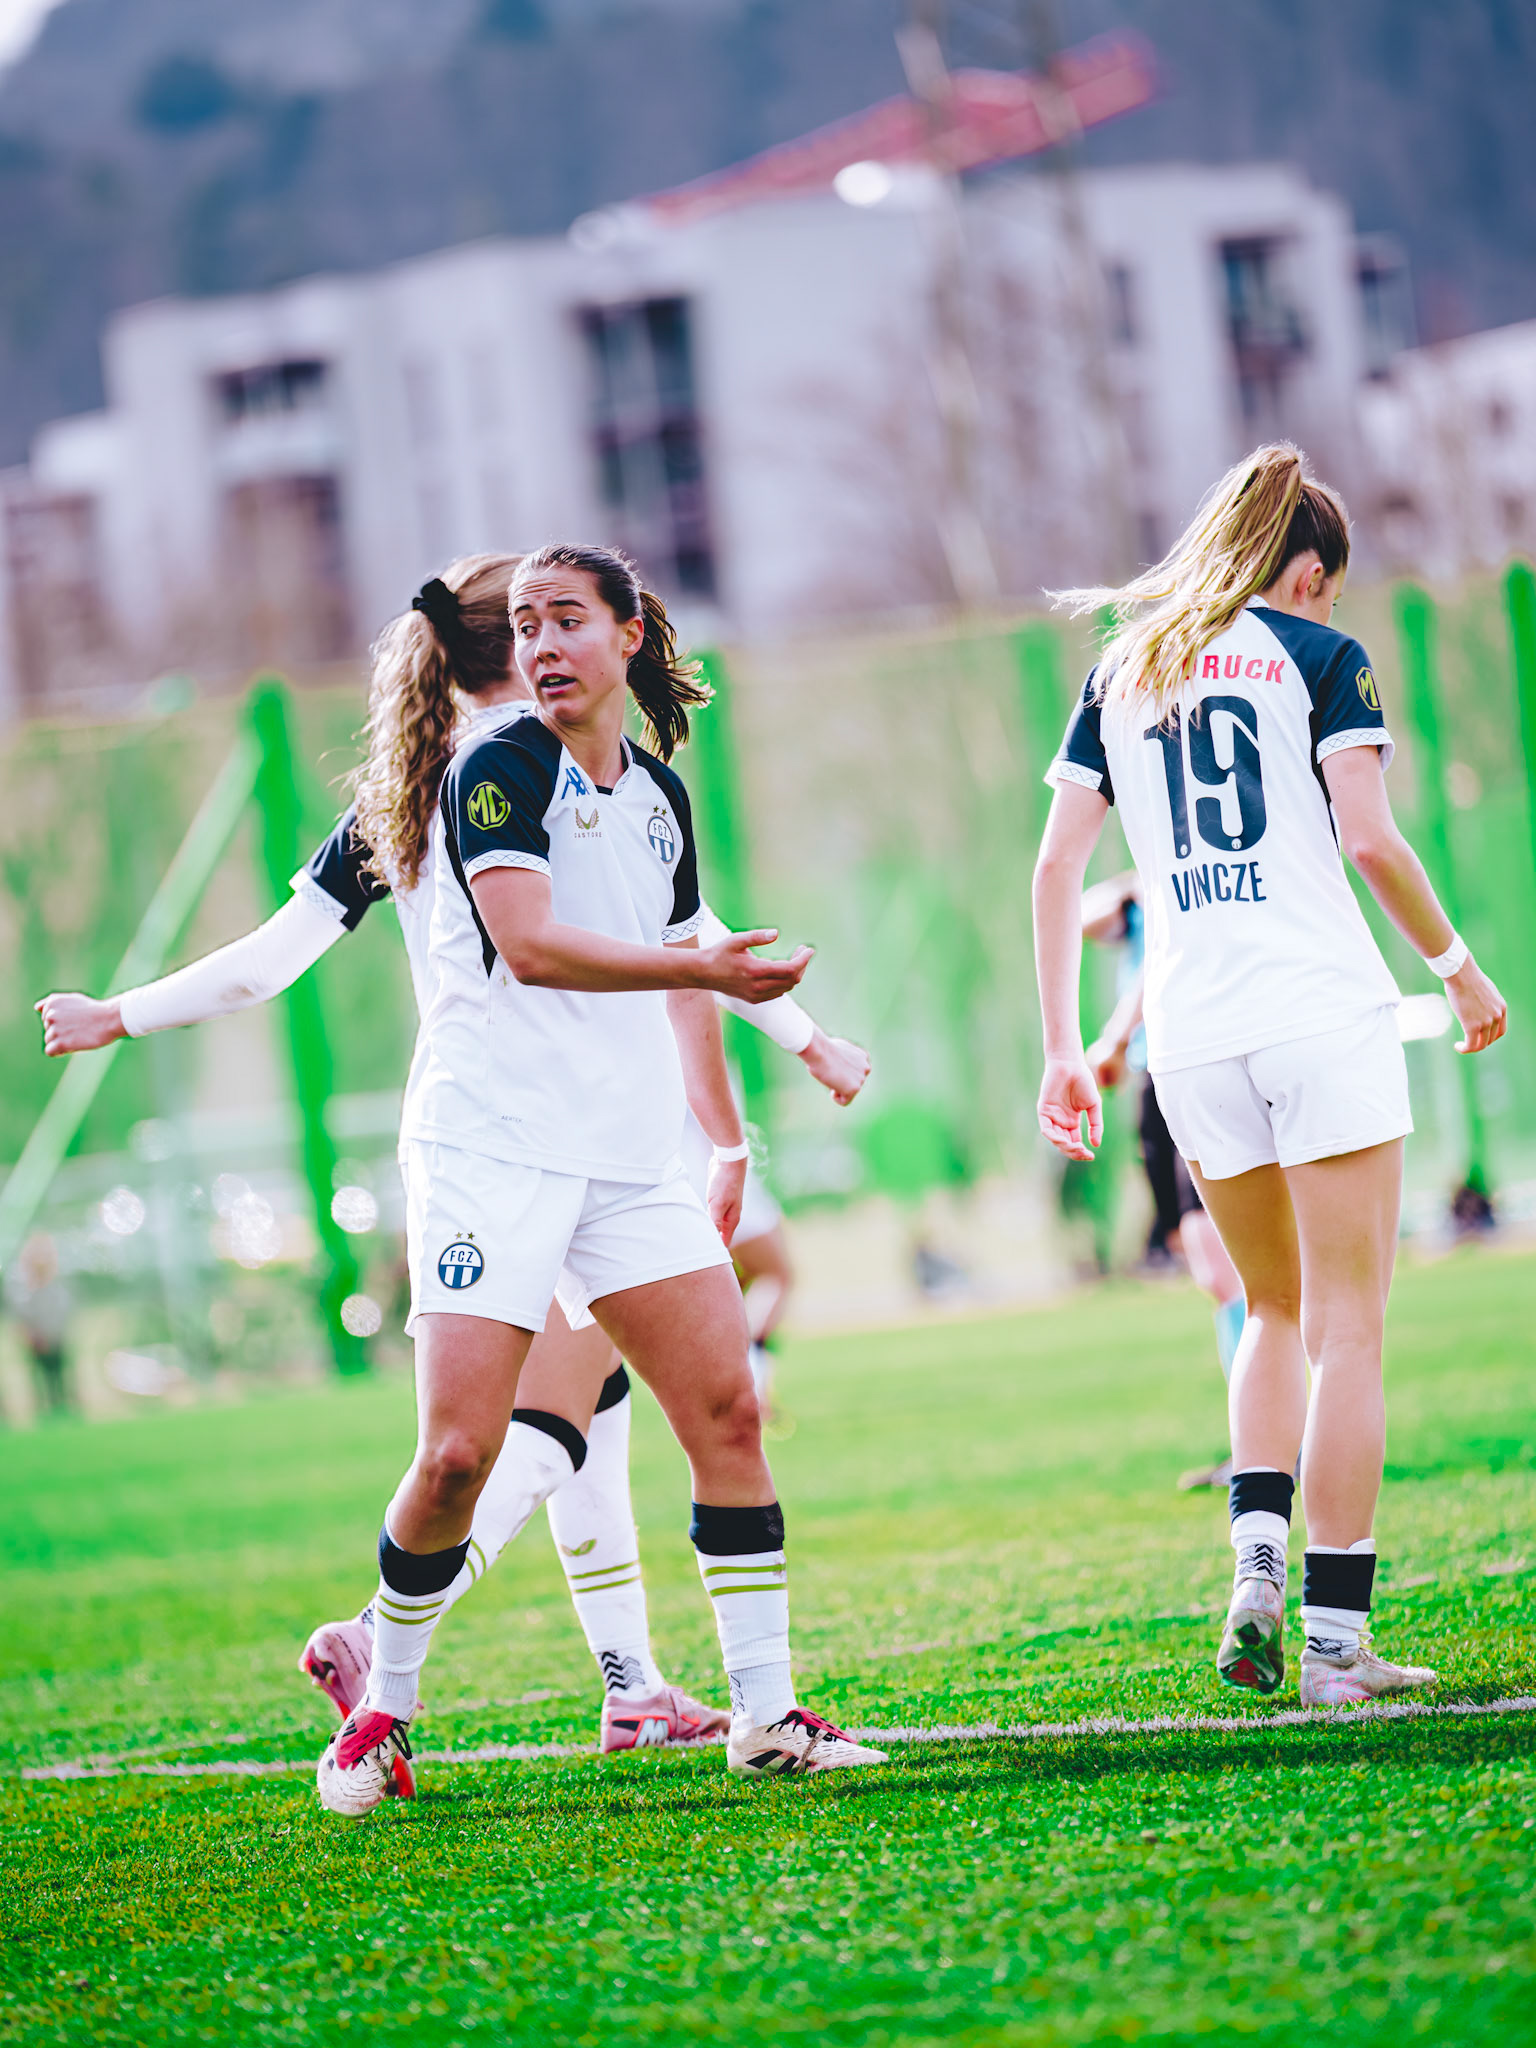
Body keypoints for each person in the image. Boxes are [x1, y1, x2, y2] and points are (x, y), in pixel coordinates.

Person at [37, 551, 873, 1784]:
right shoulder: (478, 773)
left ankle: (754, 1708)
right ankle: (388, 1694)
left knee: (714, 1410)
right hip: (492, 1155)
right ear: (509, 648)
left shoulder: (647, 788)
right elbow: (520, 950)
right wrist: (125, 1014)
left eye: (568, 617)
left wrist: (805, 1039)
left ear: (624, 635)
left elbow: (689, 932)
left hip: (628, 1162)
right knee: (463, 1451)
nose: (548, 640)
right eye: (528, 620)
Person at [1032, 443, 1507, 1708]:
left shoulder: (1122, 664)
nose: (1330, 610)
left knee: (1274, 1309)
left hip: (1193, 1035)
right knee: (1352, 1324)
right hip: (1318, 1015)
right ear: (1306, 570)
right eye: (1329, 589)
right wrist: (1458, 965)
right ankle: (1337, 1647)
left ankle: (1254, 1572)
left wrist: (1063, 1047)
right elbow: (1368, 837)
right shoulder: (1319, 658)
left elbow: (1054, 872)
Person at [1081, 871, 1245, 1488]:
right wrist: (1136, 881)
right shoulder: (1147, 887)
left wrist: (1114, 1036)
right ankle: (1264, 1439)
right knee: (1205, 1262)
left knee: (1222, 1262)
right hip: (1157, 1081)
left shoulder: (1201, 883)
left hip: (1201, 1063)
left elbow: (1160, 960)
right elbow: (1083, 918)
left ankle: (1272, 1443)